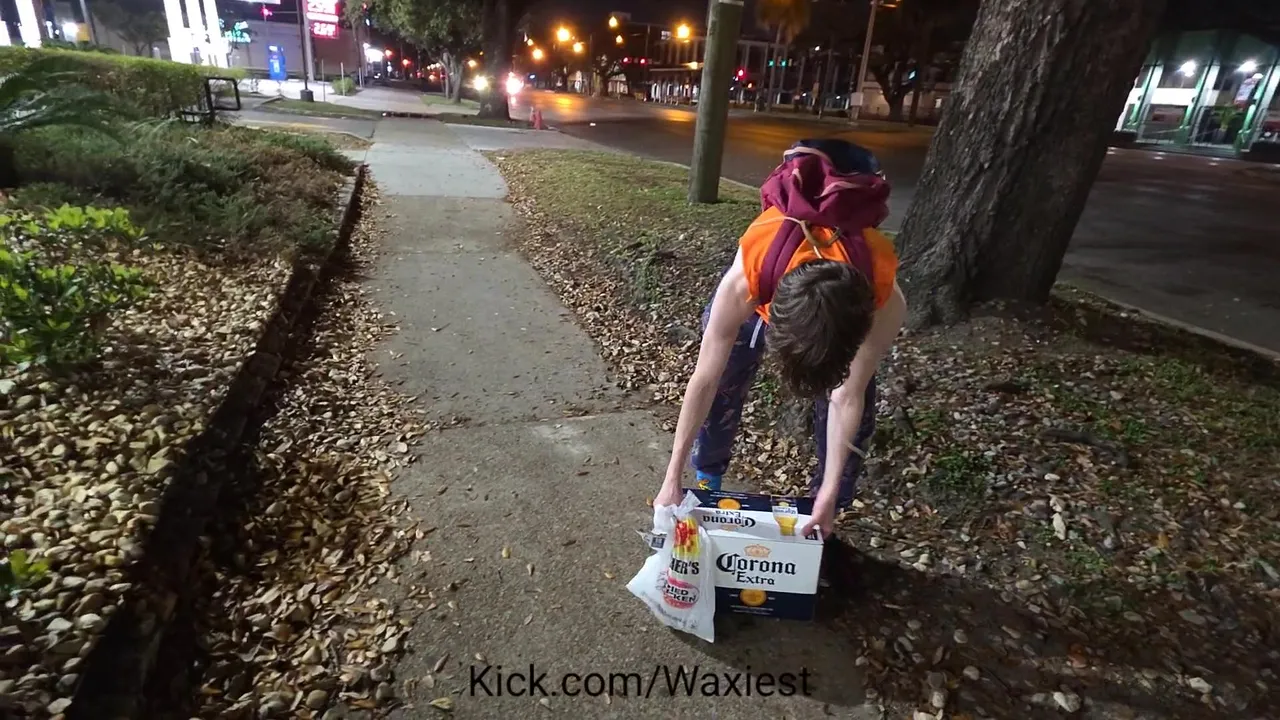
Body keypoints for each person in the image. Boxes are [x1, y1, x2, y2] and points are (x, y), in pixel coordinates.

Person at [652, 139, 907, 539]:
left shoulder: (882, 293)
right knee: (725, 384)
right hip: (769, 283)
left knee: (858, 410)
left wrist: (830, 491)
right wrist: (672, 477)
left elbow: (848, 395)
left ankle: (826, 508)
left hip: (841, 307)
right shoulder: (751, 272)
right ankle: (707, 479)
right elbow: (705, 378)